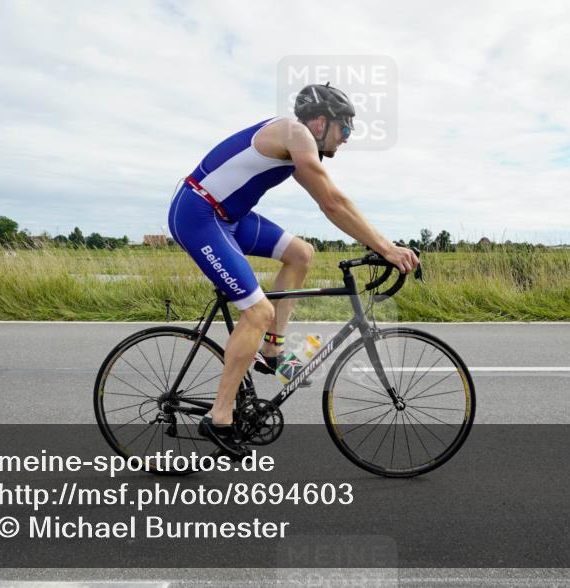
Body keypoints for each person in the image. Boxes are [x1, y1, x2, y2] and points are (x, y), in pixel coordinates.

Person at [167, 83, 419, 455]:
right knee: (257, 311)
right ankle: (220, 417)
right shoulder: (295, 133)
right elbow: (332, 202)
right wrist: (385, 247)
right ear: (320, 122)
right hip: (199, 215)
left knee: (301, 254)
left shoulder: (297, 144)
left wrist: (379, 244)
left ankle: (272, 348)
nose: (347, 138)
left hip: (229, 217)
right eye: (345, 128)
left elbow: (333, 201)